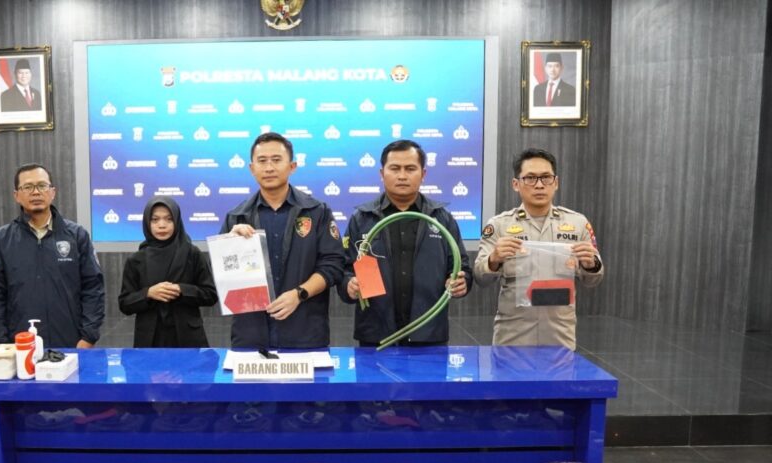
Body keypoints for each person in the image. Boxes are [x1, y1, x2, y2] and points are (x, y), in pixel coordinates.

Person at [339, 140, 472, 346]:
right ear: (382, 173)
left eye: (410, 169)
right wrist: (349, 285)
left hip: (428, 335)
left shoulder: (441, 218)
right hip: (375, 335)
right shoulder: (363, 218)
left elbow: (461, 268)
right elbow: (345, 269)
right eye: (395, 168)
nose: (402, 176)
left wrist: (462, 282)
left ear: (423, 174)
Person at [220, 132, 346, 349]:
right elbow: (222, 280)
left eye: (276, 160)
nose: (269, 168)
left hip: (304, 334)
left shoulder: (317, 211)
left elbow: (333, 265)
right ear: (252, 168)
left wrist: (300, 294)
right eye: (262, 161)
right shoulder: (236, 217)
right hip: (251, 337)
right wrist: (229, 246)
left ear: (292, 166)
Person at [474, 148, 604, 349]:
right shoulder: (499, 225)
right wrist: (494, 259)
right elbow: (480, 277)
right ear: (516, 184)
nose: (539, 185)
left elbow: (594, 279)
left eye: (546, 178)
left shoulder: (578, 223)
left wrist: (591, 265)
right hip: (513, 335)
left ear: (556, 182)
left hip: (559, 335)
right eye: (530, 178)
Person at [0, 163, 105, 348]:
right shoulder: (0, 240)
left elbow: (93, 289)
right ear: (16, 195)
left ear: (52, 192)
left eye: (42, 186)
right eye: (28, 187)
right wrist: (0, 344)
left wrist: (88, 337)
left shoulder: (77, 236)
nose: (36, 192)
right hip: (19, 346)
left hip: (72, 343)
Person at [118, 197, 218, 347]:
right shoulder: (136, 260)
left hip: (188, 339)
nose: (162, 225)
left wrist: (181, 290)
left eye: (169, 219)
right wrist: (148, 293)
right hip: (149, 341)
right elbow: (125, 303)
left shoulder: (192, 254)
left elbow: (210, 295)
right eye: (155, 220)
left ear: (177, 221)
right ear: (147, 223)